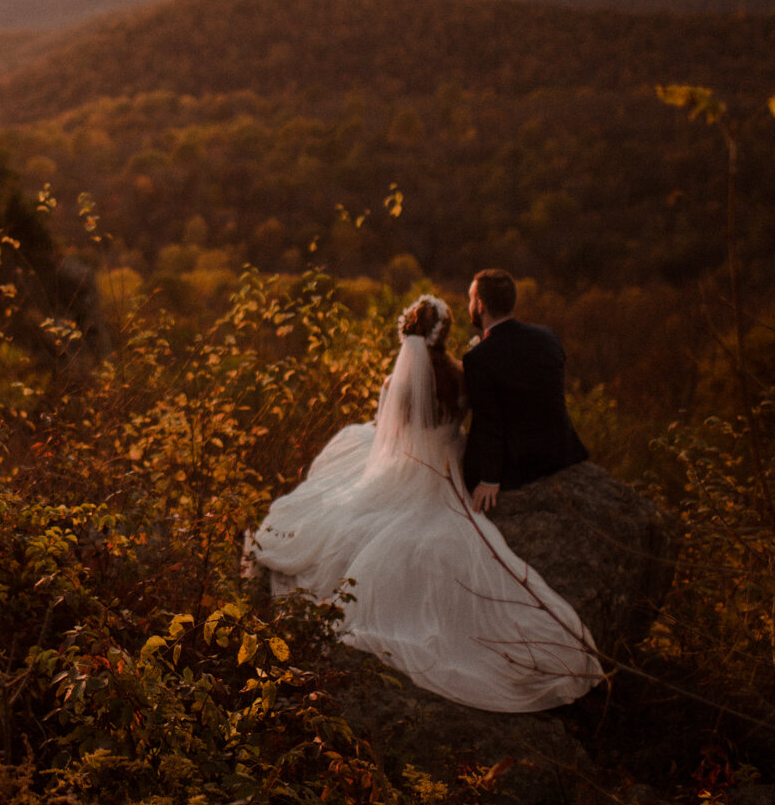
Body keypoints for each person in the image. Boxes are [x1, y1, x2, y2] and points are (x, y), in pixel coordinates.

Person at [245, 292, 603, 713]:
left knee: (350, 451)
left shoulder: (394, 383)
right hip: (446, 466)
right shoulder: (462, 374)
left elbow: (386, 437)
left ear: (407, 333)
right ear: (445, 333)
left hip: (406, 463)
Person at [462, 268, 588, 512]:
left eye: (470, 299)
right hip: (561, 451)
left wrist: (489, 479)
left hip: (519, 464)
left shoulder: (478, 359)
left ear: (480, 305)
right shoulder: (548, 337)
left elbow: (489, 423)